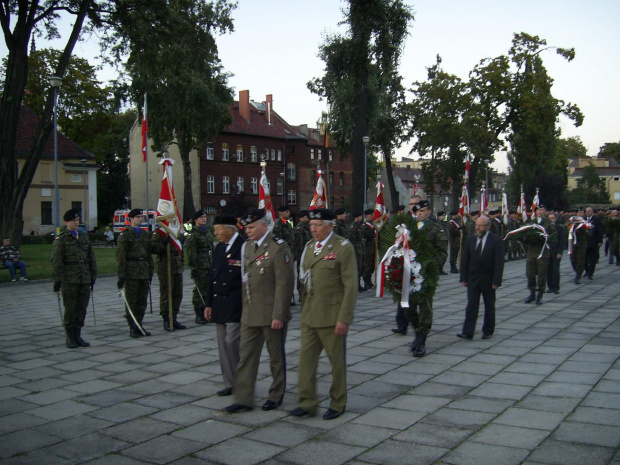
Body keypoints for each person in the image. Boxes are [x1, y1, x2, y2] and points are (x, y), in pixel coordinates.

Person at [224, 209, 294, 413]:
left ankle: (276, 395)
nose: (248, 231)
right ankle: (243, 399)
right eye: (246, 228)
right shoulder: (246, 247)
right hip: (250, 313)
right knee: (246, 357)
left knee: (275, 357)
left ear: (264, 226)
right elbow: (246, 279)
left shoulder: (278, 248)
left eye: (252, 227)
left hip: (272, 314)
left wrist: (279, 315)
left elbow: (284, 284)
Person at [291, 208, 357, 420]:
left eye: (318, 225)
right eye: (311, 225)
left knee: (336, 364)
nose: (314, 229)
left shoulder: (343, 248)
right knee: (306, 362)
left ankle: (338, 403)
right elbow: (303, 282)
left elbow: (350, 286)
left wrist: (344, 318)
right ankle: (306, 402)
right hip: (310, 315)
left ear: (330, 225)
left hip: (332, 317)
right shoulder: (310, 247)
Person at [204, 215, 245, 397]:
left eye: (218, 229)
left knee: (232, 342)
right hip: (219, 303)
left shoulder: (243, 246)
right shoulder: (220, 247)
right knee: (223, 344)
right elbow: (212, 276)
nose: (215, 233)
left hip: (236, 303)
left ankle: (242, 381)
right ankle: (230, 382)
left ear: (229, 229)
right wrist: (208, 304)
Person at [406, 200, 448, 357]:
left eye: (422, 211)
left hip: (426, 276)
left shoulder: (436, 229)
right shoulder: (409, 228)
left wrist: (430, 267)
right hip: (409, 274)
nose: (419, 214)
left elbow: (442, 252)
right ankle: (418, 333)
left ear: (429, 212)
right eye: (417, 211)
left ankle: (422, 340)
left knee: (425, 308)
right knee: (407, 307)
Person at [51, 209, 97, 348]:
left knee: (82, 307)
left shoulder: (83, 236)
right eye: (73, 221)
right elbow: (57, 260)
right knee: (71, 308)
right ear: (66, 222)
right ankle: (70, 336)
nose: (76, 223)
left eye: (77, 220)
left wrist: (93, 275)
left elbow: (91, 257)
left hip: (84, 277)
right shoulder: (62, 238)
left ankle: (78, 335)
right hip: (70, 278)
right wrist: (58, 279)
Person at [458, 215, 504, 340]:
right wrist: (463, 277)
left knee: (489, 306)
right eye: (476, 225)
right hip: (473, 278)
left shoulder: (496, 240)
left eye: (481, 225)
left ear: (488, 227)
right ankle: (468, 331)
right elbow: (465, 260)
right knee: (471, 305)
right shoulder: (471, 239)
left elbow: (499, 262)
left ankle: (488, 330)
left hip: (488, 280)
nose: (477, 228)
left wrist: (497, 280)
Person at [116, 209, 154, 338]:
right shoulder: (125, 235)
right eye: (137, 217)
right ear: (130, 219)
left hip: (144, 270)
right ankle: (132, 326)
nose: (140, 219)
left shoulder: (145, 234)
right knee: (132, 300)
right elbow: (121, 257)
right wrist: (121, 275)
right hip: (132, 271)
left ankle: (139, 323)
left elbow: (149, 255)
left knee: (142, 300)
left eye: (142, 217)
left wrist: (150, 272)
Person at [152, 226, 187, 331]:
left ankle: (174, 318)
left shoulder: (175, 231)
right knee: (166, 294)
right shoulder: (159, 232)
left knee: (177, 294)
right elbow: (154, 249)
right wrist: (163, 243)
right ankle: (166, 319)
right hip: (165, 268)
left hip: (177, 267)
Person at [185, 209, 214, 324]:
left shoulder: (207, 232)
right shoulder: (193, 234)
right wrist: (193, 267)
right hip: (200, 265)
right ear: (196, 220)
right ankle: (199, 313)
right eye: (201, 217)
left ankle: (207, 311)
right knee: (199, 290)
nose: (204, 219)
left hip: (209, 263)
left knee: (209, 289)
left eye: (205, 217)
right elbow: (191, 252)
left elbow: (211, 247)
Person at [523, 205, 553, 305]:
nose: (539, 212)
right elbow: (524, 233)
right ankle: (532, 293)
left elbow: (553, 235)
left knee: (541, 274)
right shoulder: (531, 222)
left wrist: (547, 237)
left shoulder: (548, 222)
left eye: (541, 210)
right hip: (531, 252)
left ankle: (540, 294)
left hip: (542, 252)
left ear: (544, 211)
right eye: (537, 210)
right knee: (530, 274)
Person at [272, 205, 296, 306]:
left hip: (290, 254)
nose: (288, 213)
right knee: (283, 277)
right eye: (286, 211)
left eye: (288, 211)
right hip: (283, 255)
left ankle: (288, 297)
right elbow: (277, 241)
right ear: (280, 213)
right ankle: (283, 298)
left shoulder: (288, 224)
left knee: (289, 276)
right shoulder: (278, 225)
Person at [294, 210, 312, 300]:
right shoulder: (300, 228)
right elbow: (299, 244)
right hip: (302, 255)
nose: (308, 218)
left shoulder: (307, 227)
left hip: (309, 254)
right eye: (306, 216)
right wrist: (300, 257)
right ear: (302, 217)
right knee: (301, 274)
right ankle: (301, 293)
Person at [546, 212, 566, 294]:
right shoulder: (545, 228)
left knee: (555, 270)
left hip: (556, 252)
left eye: (552, 218)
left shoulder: (560, 228)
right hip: (547, 252)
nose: (551, 219)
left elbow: (562, 241)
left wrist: (560, 252)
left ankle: (556, 287)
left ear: (556, 219)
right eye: (549, 218)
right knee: (548, 270)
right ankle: (550, 286)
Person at [584, 206, 603, 279]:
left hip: (593, 242)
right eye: (587, 211)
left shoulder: (596, 220)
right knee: (584, 259)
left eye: (589, 211)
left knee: (592, 259)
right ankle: (586, 270)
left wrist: (600, 241)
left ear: (592, 212)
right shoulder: (584, 220)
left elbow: (599, 231)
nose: (588, 213)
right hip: (585, 243)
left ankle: (590, 273)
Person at [361, 209, 377, 290]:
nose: (373, 216)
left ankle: (369, 281)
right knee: (367, 265)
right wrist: (374, 228)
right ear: (367, 216)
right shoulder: (365, 226)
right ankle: (366, 282)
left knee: (372, 265)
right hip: (367, 248)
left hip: (373, 247)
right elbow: (368, 235)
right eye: (371, 214)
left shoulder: (371, 225)